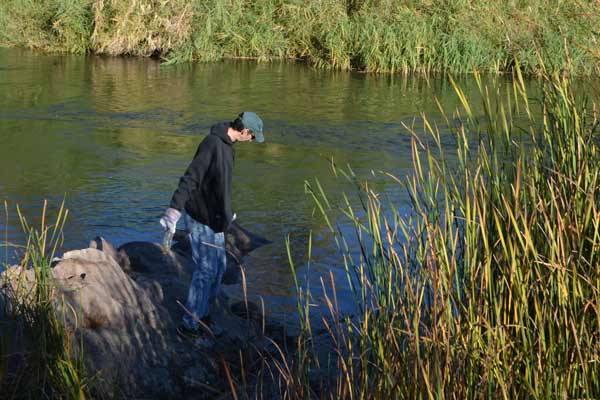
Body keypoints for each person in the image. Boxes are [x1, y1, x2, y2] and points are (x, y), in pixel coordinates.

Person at [160, 112, 264, 338]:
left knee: (219, 266)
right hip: (200, 218)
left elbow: (220, 186)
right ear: (245, 131)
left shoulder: (228, 147)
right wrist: (174, 210)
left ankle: (203, 312)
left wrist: (228, 213)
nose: (253, 141)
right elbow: (191, 178)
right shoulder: (211, 144)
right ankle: (189, 325)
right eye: (254, 137)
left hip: (216, 218)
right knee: (205, 270)